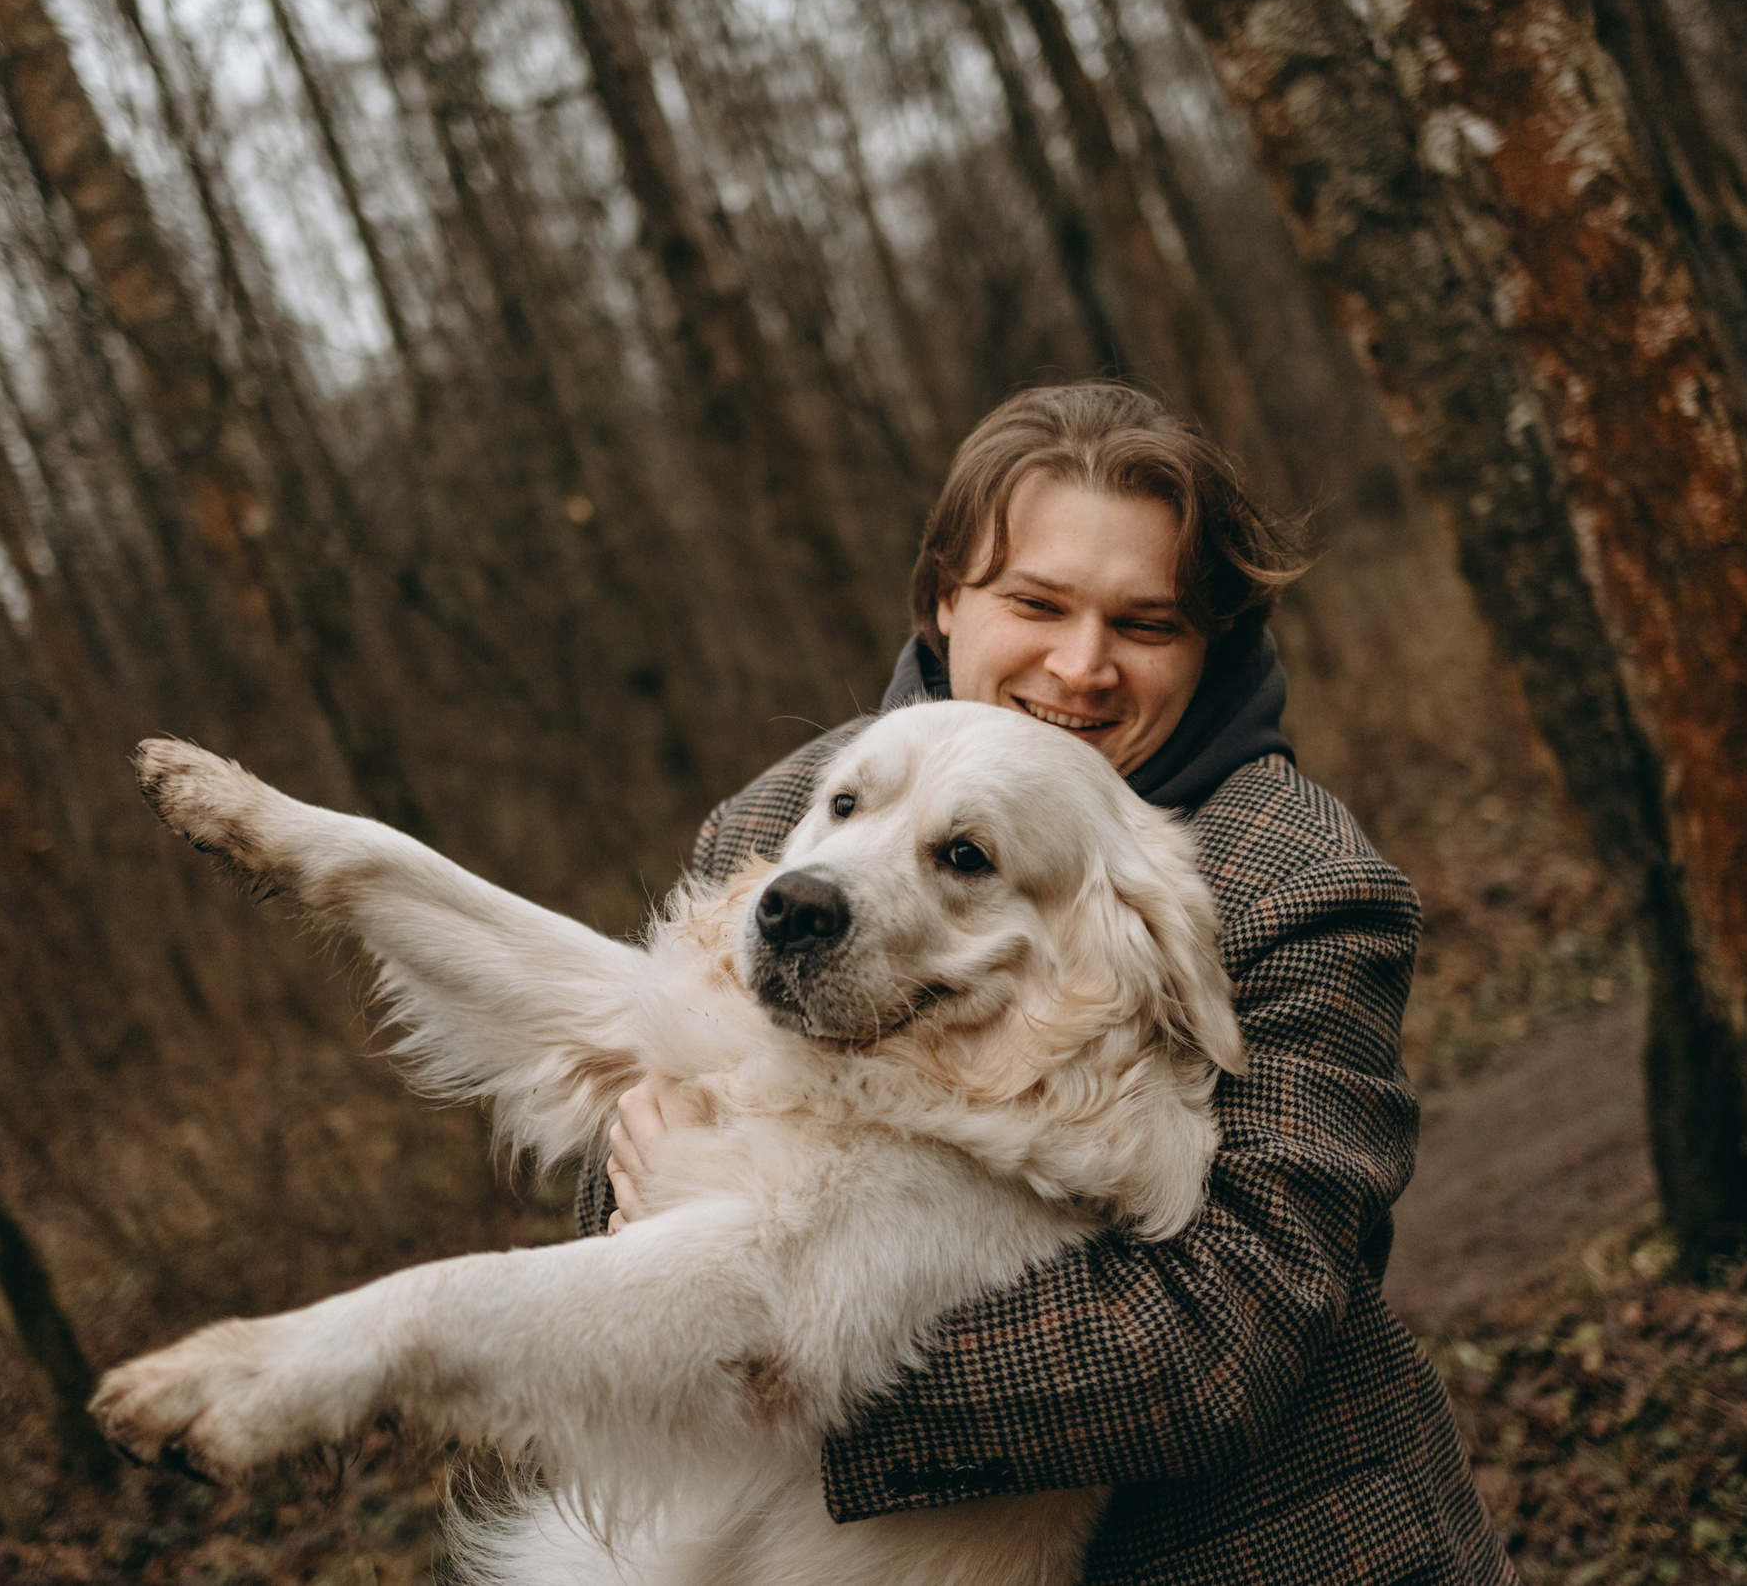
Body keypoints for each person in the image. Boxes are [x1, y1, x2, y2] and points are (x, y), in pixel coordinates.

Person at [584, 382, 1517, 1584]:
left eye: (1146, 623)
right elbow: (628, 1129)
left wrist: (766, 1339)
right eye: (1035, 604)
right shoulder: (782, 821)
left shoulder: (1296, 887)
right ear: (944, 599)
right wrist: (653, 1222)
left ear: (1213, 643)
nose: (1080, 669)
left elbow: (1211, 1347)